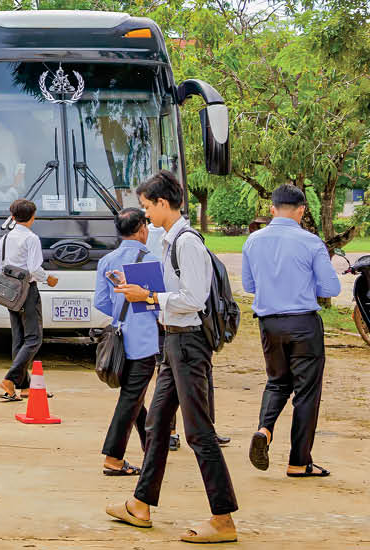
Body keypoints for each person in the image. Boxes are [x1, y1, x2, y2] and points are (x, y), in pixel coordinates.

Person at [106, 170, 238, 544]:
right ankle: (140, 504)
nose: (145, 214)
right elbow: (174, 293)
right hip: (175, 343)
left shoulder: (187, 243)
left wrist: (148, 297)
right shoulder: (171, 241)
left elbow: (193, 299)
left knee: (198, 432)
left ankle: (223, 518)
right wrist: (141, 291)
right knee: (157, 424)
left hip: (189, 344)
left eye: (147, 206)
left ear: (163, 203)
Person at [242, 184, 339, 477]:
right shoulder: (310, 242)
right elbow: (331, 288)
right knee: (306, 393)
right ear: (301, 210)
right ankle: (298, 461)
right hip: (303, 324)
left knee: (276, 382)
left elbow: (248, 285)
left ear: (272, 209)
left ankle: (264, 429)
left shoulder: (253, 241)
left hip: (269, 324)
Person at [94, 208, 159, 477]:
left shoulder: (107, 260)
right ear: (142, 229)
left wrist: (123, 315)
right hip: (143, 340)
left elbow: (101, 301)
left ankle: (150, 443)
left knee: (134, 394)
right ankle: (113, 457)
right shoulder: (148, 260)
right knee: (131, 397)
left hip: (120, 336)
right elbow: (155, 304)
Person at [0, 198, 59, 399]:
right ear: (33, 217)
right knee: (34, 338)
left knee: (19, 337)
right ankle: (9, 379)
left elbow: (1, 266)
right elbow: (34, 268)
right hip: (27, 290)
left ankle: (23, 386)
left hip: (9, 290)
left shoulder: (5, 238)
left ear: (12, 217)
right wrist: (48, 278)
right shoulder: (31, 238)